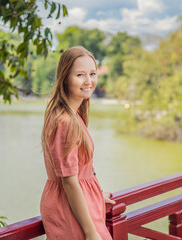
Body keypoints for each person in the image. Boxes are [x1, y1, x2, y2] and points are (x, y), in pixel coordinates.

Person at [40, 46, 115, 240]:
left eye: (92, 73)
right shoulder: (64, 121)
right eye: (80, 75)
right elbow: (69, 181)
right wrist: (91, 233)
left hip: (81, 203)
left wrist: (97, 195)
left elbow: (81, 167)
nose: (88, 81)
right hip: (70, 209)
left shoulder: (73, 114)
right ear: (65, 77)